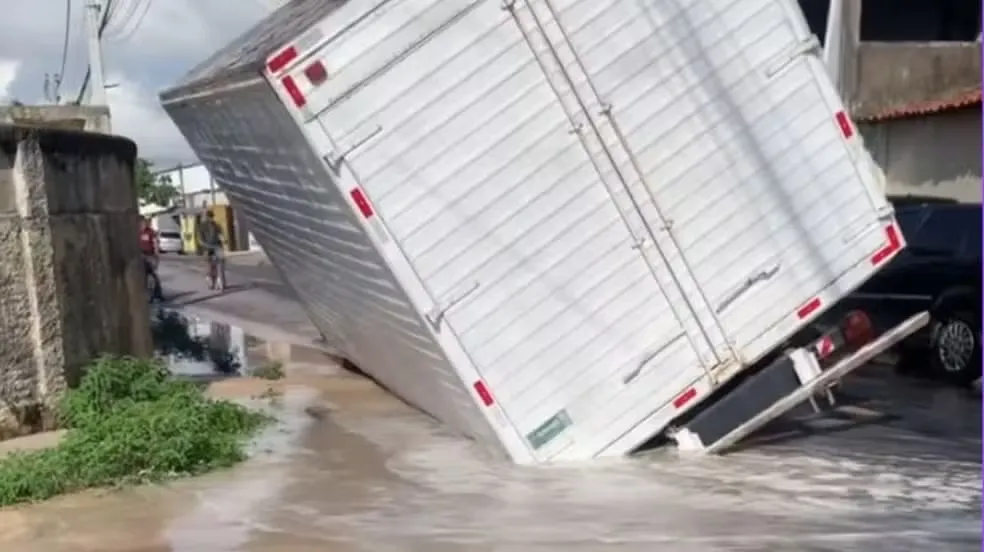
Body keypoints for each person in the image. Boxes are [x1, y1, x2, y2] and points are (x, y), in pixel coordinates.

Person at [139, 217, 165, 302]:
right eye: (141, 223)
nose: (142, 225)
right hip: (141, 256)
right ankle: (146, 296)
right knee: (143, 276)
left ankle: (158, 294)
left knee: (153, 275)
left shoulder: (150, 232)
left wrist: (156, 255)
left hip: (150, 256)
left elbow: (155, 243)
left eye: (144, 223)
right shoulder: (136, 232)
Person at [198, 210, 225, 288]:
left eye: (211, 217)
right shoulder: (204, 226)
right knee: (213, 265)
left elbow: (220, 235)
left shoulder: (215, 225)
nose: (210, 218)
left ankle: (216, 280)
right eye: (210, 217)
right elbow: (201, 238)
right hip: (211, 247)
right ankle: (213, 279)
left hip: (213, 246)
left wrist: (223, 240)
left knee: (217, 263)